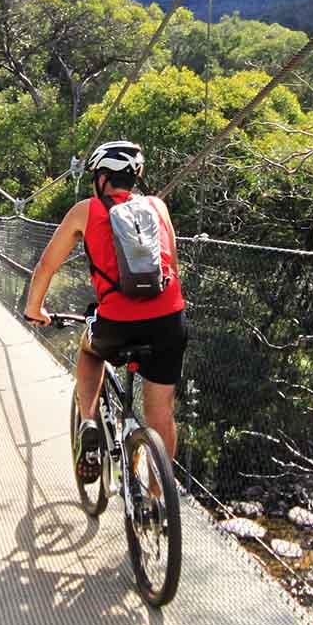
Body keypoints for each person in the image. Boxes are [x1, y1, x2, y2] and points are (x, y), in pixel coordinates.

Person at [22, 140, 188, 481]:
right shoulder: (158, 207)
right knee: (160, 414)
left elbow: (46, 265)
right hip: (169, 320)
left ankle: (88, 421)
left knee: (90, 347)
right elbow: (172, 260)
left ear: (101, 178)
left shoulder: (86, 210)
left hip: (117, 322)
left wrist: (34, 308)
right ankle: (158, 507)